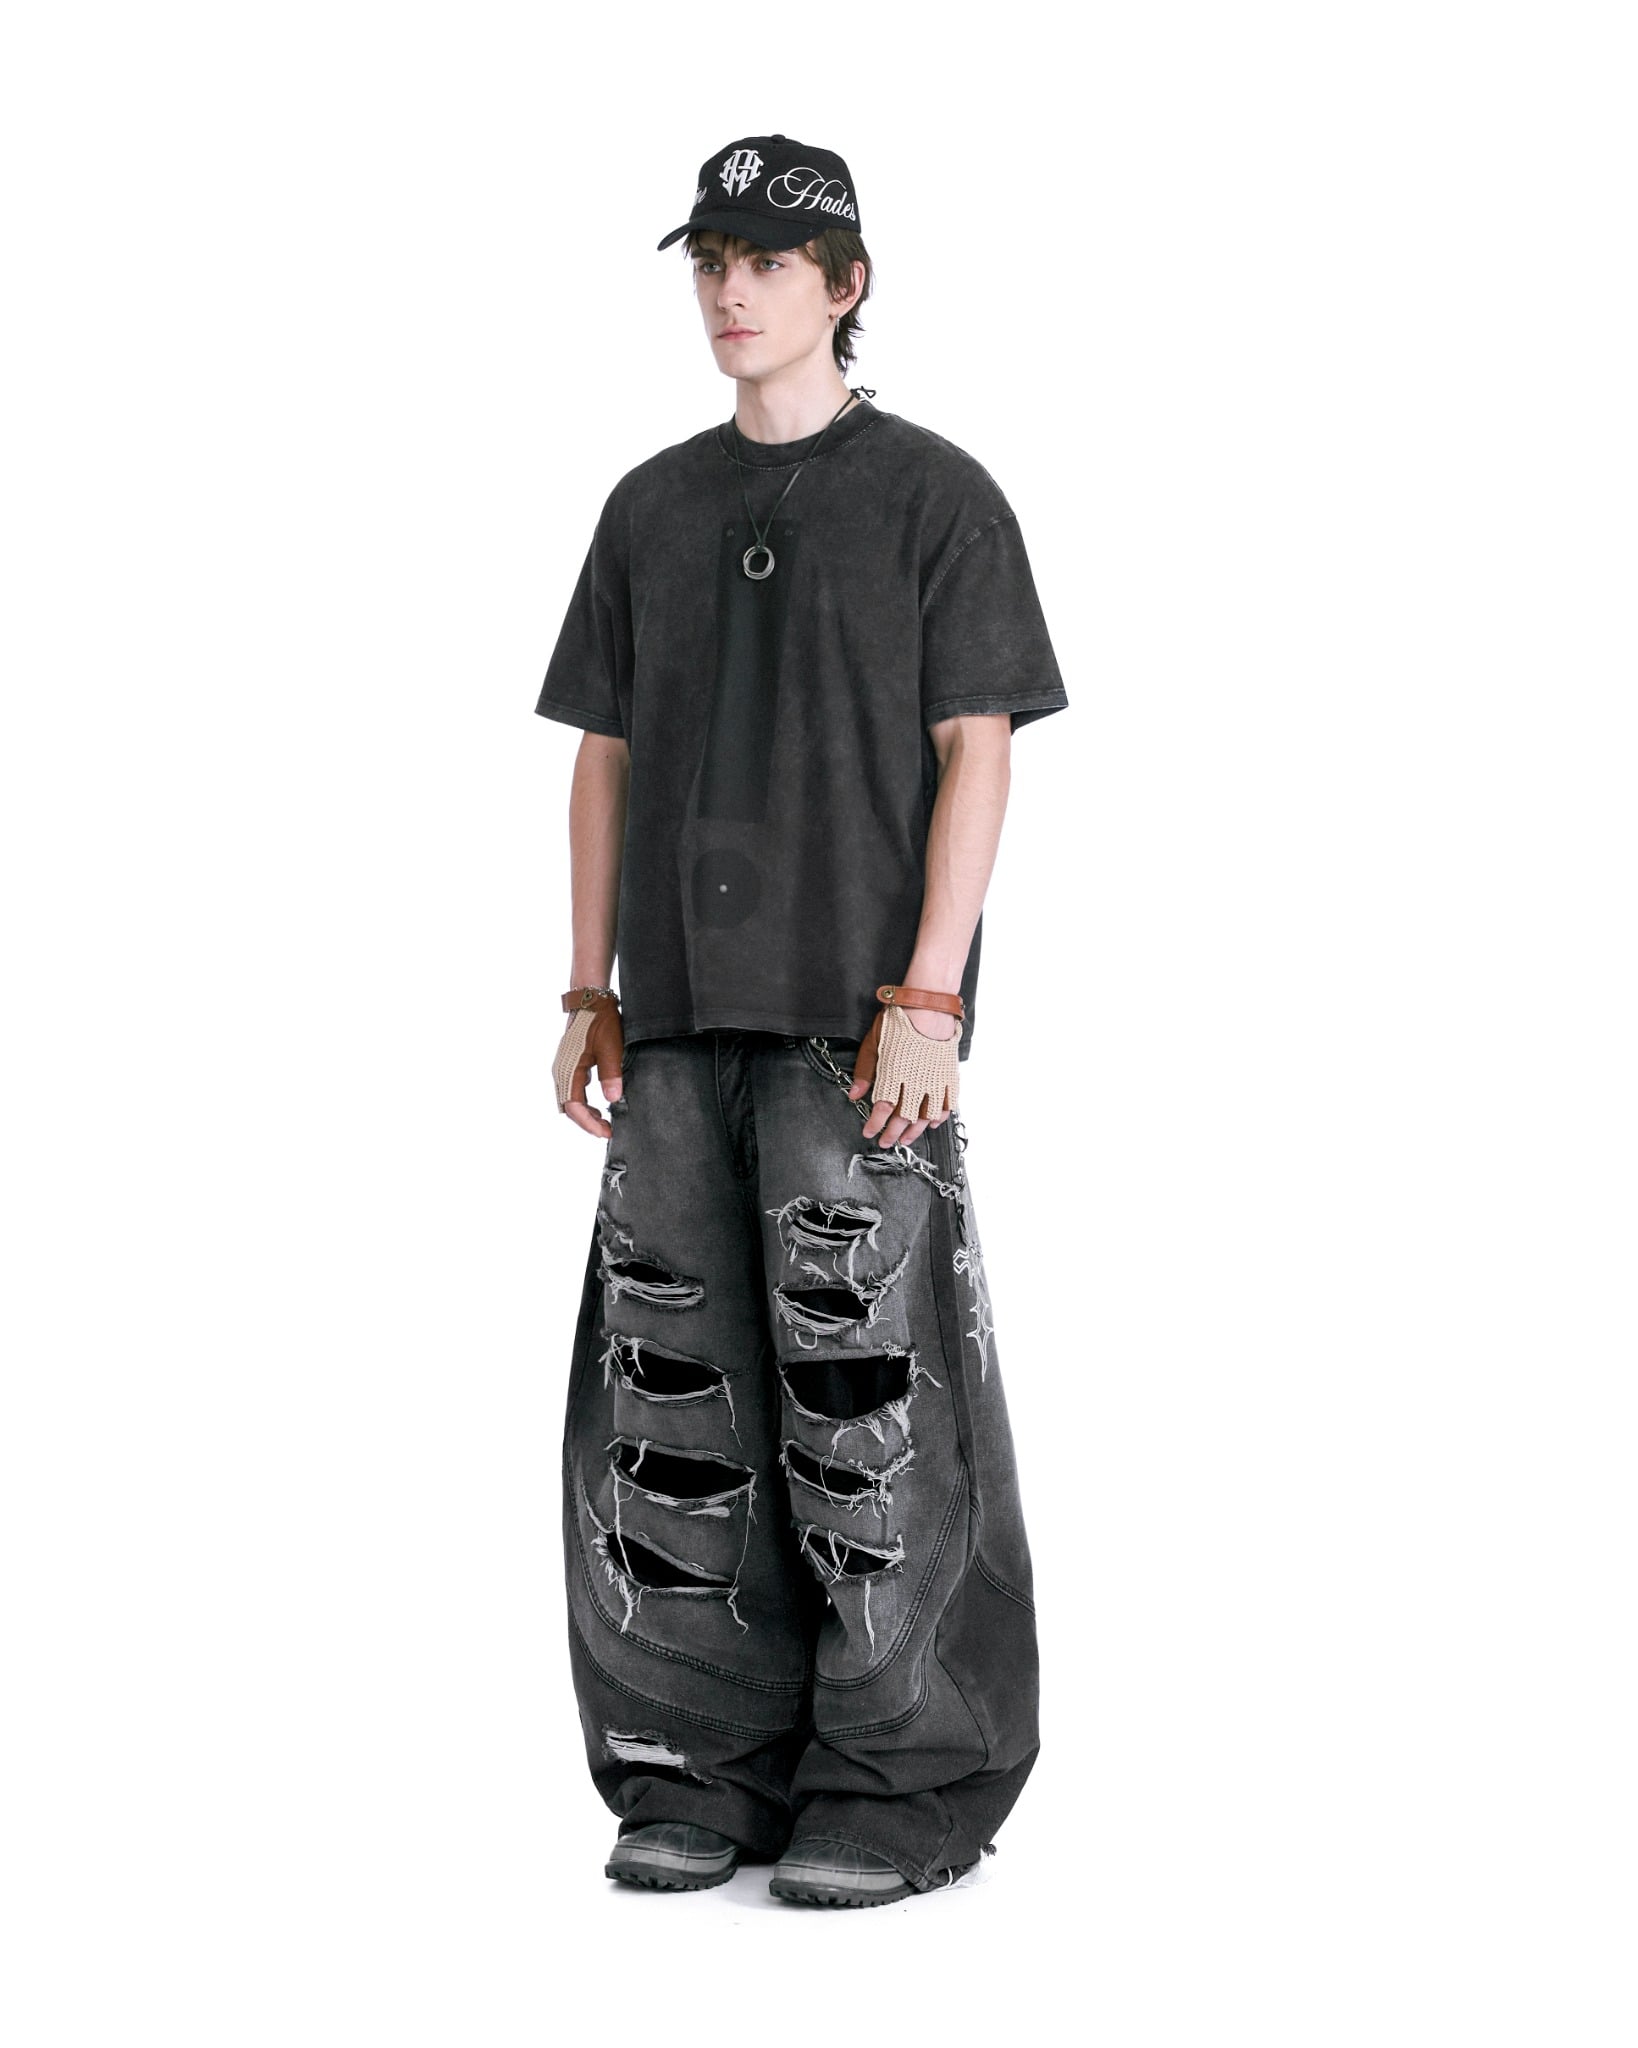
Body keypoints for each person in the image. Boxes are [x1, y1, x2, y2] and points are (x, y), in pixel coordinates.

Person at [534, 133, 1069, 1908]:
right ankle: (695, 1765)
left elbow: (975, 750)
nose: (729, 290)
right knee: (671, 1398)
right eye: (709, 260)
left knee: (869, 1395)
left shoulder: (932, 498)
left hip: (857, 1019)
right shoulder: (648, 508)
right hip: (677, 1016)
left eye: (766, 261)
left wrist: (931, 993)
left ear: (844, 286)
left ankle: (904, 1776)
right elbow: (604, 757)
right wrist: (588, 984)